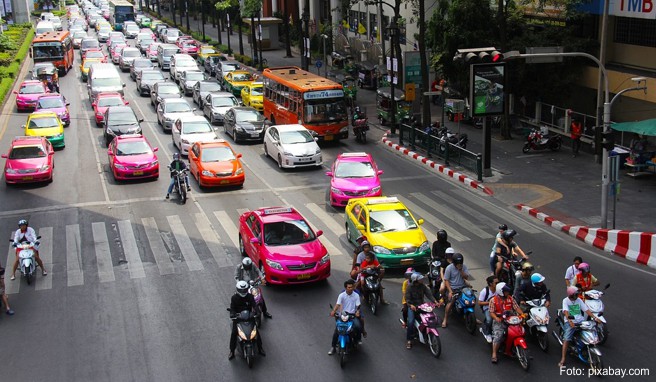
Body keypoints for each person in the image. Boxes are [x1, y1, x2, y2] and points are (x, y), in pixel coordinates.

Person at [559, 286, 602, 367]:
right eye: (576, 294)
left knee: (590, 330)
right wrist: (570, 321)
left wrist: (595, 318)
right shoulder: (565, 301)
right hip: (570, 322)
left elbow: (586, 310)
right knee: (567, 339)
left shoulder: (579, 300)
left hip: (580, 320)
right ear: (571, 295)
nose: (577, 295)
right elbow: (566, 312)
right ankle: (563, 358)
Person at [228, 281, 265, 360]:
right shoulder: (234, 298)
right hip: (238, 318)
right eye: (241, 290)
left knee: (256, 333)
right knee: (234, 333)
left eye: (245, 290)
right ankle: (232, 351)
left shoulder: (250, 296)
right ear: (238, 290)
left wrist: (257, 311)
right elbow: (232, 308)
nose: (243, 292)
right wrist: (232, 314)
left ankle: (260, 348)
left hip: (249, 317)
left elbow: (254, 305)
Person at [489, 282, 523, 364]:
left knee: (520, 331)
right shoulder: (493, 300)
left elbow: (516, 308)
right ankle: (494, 354)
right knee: (498, 335)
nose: (508, 293)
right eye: (506, 291)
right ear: (501, 292)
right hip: (500, 320)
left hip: (511, 319)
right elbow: (491, 312)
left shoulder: (510, 299)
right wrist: (496, 318)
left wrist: (522, 314)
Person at [329, 279, 363, 355]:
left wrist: (357, 312)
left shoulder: (356, 295)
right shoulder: (342, 295)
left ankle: (357, 339)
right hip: (343, 315)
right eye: (349, 287)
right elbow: (337, 304)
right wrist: (333, 311)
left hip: (352, 315)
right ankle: (333, 347)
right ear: (345, 288)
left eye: (352, 287)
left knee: (357, 326)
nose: (350, 289)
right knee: (337, 331)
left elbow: (358, 306)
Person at [405, 272, 437, 349]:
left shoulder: (422, 286)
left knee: (430, 316)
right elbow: (407, 299)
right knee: (411, 322)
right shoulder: (409, 287)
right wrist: (411, 305)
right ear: (415, 280)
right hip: (412, 307)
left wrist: (435, 301)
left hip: (422, 305)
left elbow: (429, 294)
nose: (422, 280)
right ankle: (409, 340)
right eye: (420, 279)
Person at [441, 253, 472, 328]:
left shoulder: (463, 267)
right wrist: (450, 291)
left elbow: (466, 277)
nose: (459, 265)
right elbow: (446, 280)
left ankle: (472, 315)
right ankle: (445, 319)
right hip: (453, 288)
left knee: (470, 299)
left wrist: (460, 270)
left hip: (462, 287)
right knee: (450, 302)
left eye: (460, 263)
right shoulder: (449, 268)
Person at [478, 275, 498, 344]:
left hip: (497, 307)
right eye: (496, 283)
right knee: (489, 320)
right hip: (488, 308)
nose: (497, 284)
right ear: (491, 284)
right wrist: (490, 303)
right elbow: (480, 303)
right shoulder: (484, 291)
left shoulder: (499, 290)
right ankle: (487, 332)